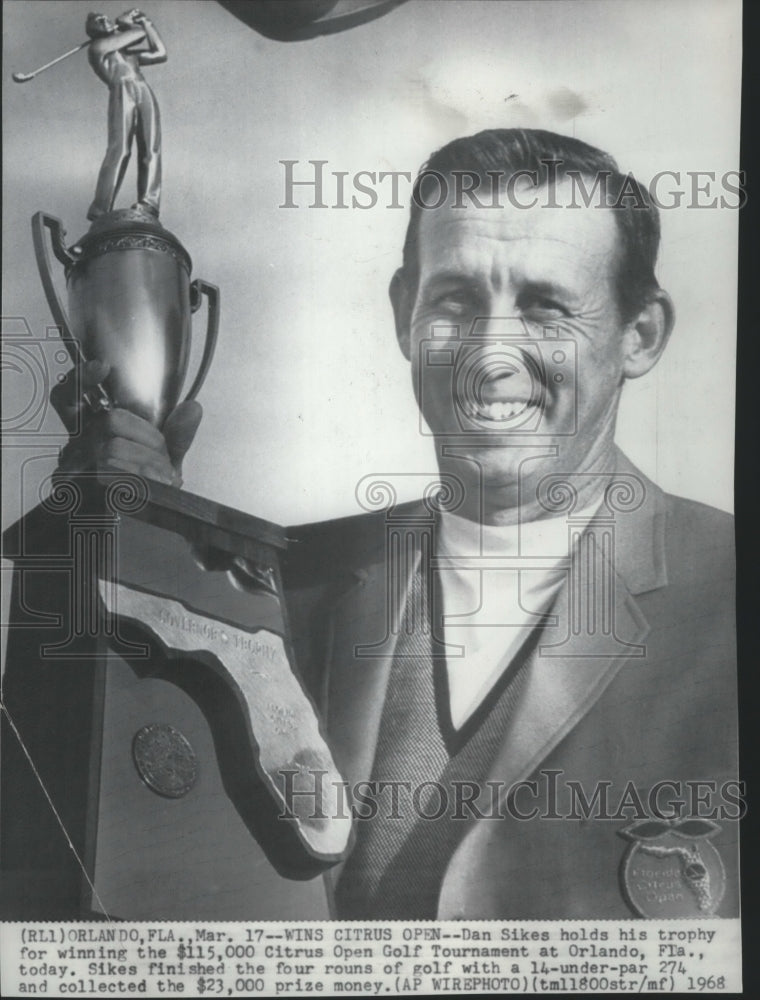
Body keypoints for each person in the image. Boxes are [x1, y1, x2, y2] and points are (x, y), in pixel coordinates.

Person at [53, 128, 739, 919]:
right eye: (455, 301)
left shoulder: (731, 592)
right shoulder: (265, 586)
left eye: (547, 307)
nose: (492, 353)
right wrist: (135, 541)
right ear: (403, 315)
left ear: (640, 334)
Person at [85, 8, 166, 221]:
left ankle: (149, 203)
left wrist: (147, 23)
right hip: (122, 90)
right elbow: (137, 34)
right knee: (119, 149)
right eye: (99, 21)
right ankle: (101, 207)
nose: (105, 19)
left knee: (151, 148)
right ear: (93, 32)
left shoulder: (128, 54)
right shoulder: (98, 47)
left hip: (143, 88)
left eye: (105, 17)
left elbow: (160, 52)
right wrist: (127, 22)